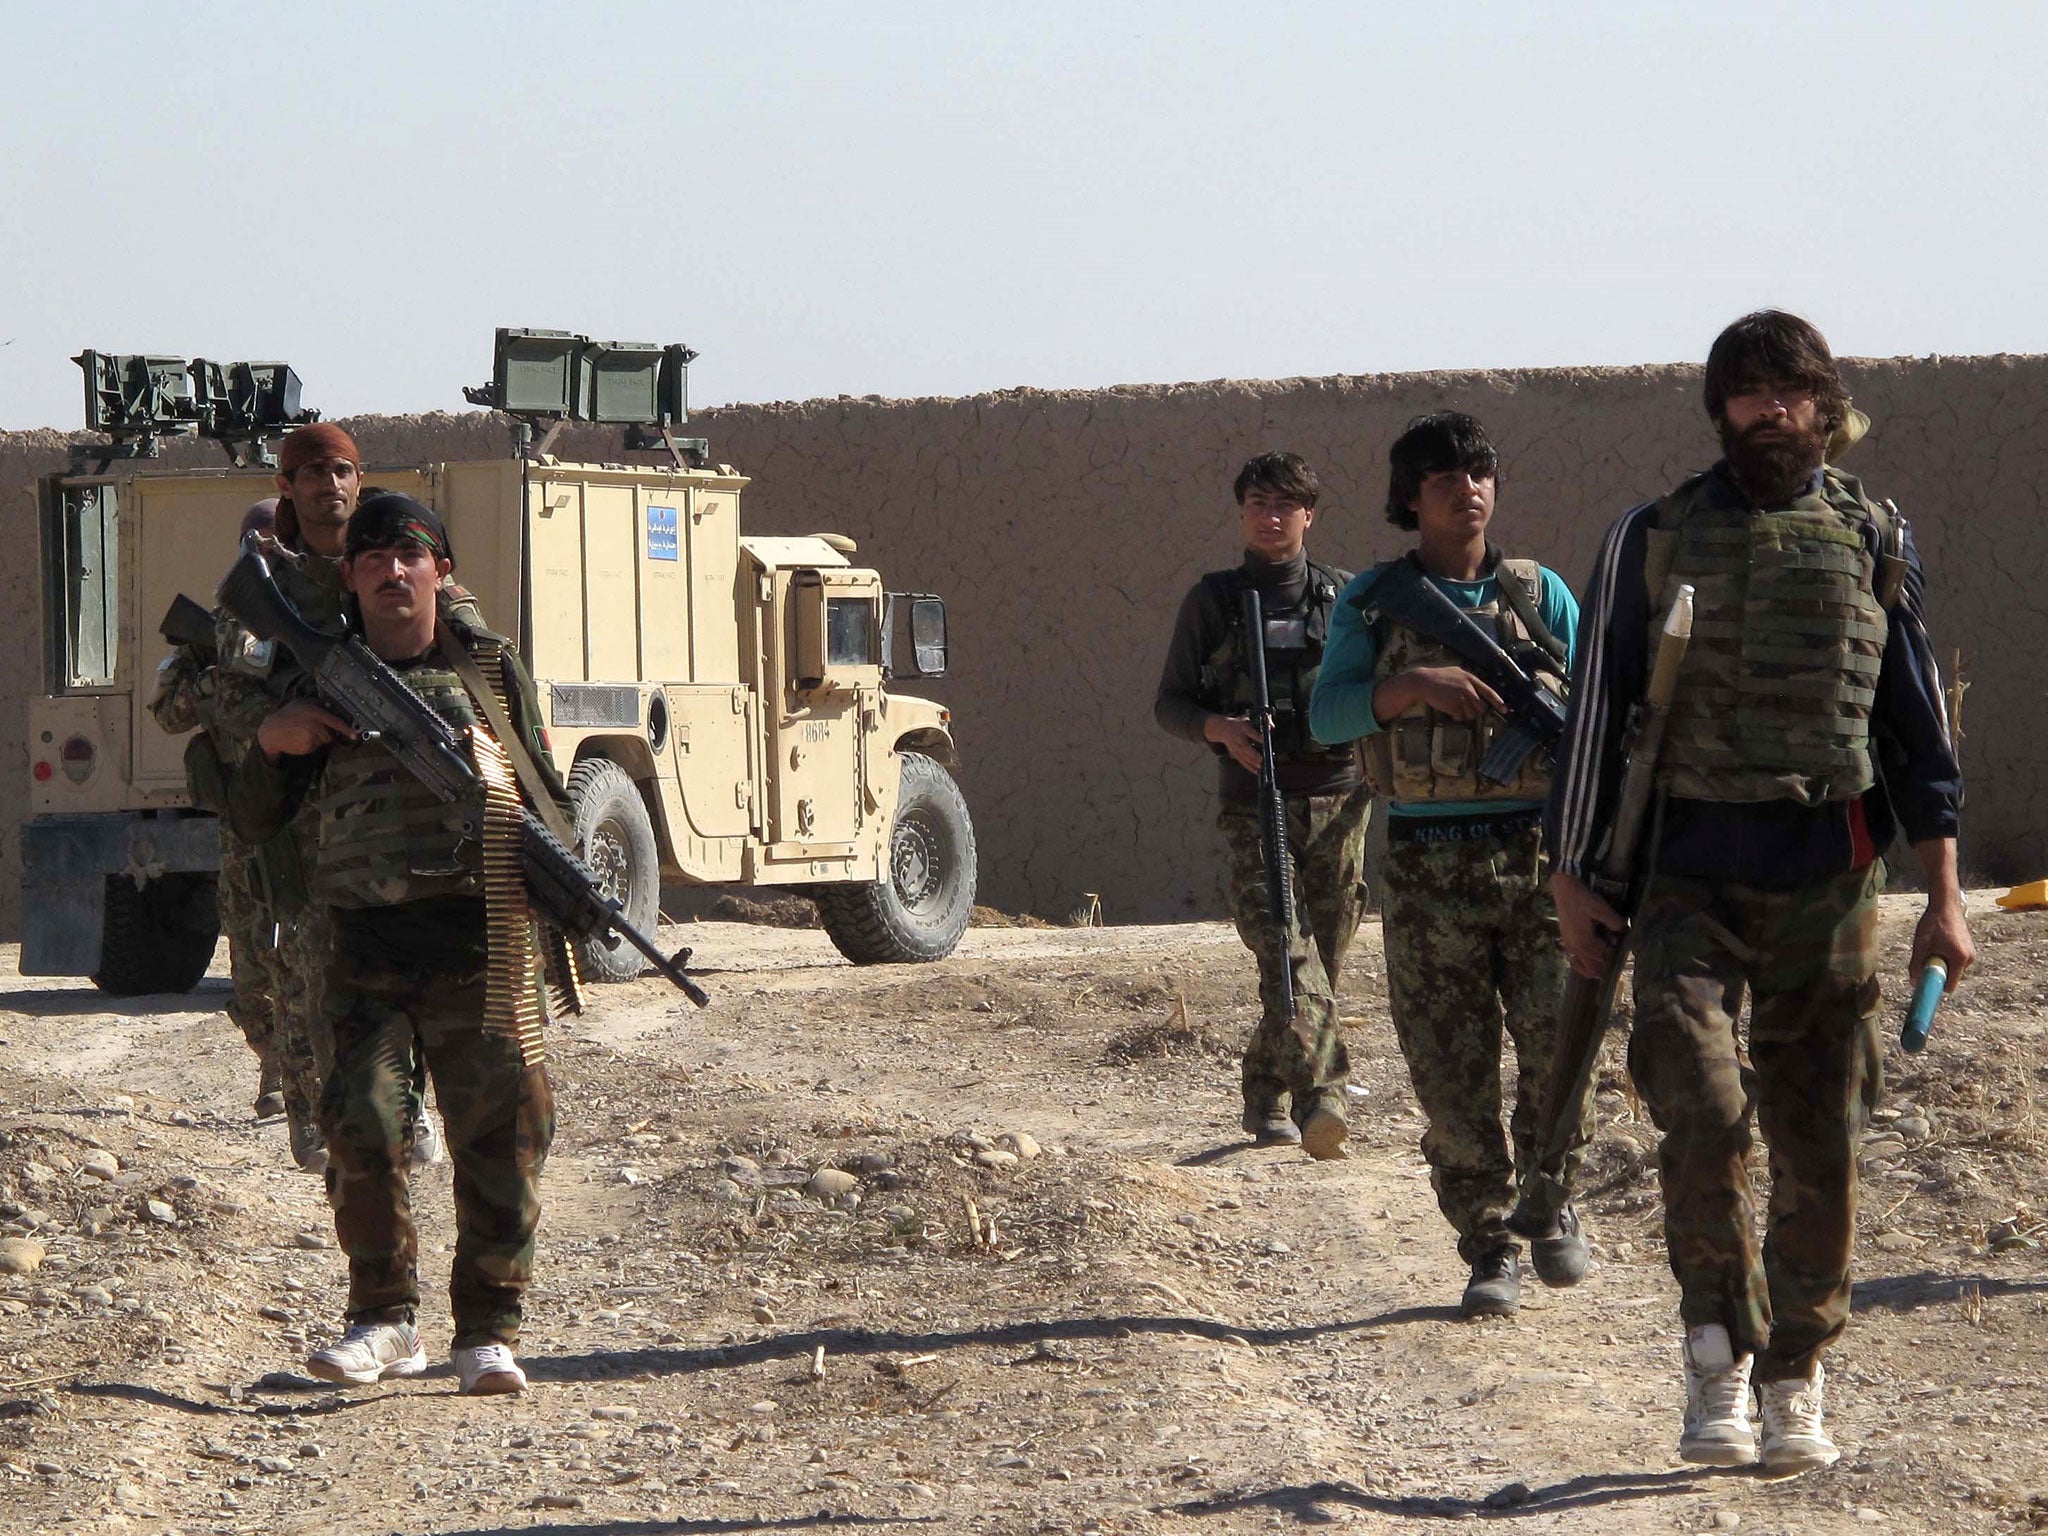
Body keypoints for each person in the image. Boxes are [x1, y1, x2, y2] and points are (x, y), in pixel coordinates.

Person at [1547, 311, 1975, 1473]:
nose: (1766, 412)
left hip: (1827, 880)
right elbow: (1596, 715)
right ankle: (1714, 1356)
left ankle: (1795, 1373)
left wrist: (1941, 896)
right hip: (1682, 875)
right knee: (1699, 1109)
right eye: (1744, 394)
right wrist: (1568, 876)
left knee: (1817, 1132)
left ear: (1824, 407)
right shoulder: (1650, 534)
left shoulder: (1873, 535)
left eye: (1787, 392)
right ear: (1717, 412)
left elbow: (1911, 731)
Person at [233, 492, 567, 1393]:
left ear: (441, 572)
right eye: (372, 556)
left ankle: (488, 1330)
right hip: (360, 949)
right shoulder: (311, 678)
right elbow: (249, 819)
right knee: (364, 1132)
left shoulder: (492, 676)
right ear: (348, 574)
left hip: (482, 943)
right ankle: (383, 1322)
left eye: (410, 555)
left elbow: (547, 796)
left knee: (503, 1133)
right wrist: (270, 743)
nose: (391, 570)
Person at [1308, 412, 1592, 1318]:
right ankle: (1489, 1243)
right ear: (1409, 499)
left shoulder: (1538, 594)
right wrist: (1409, 688)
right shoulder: (1375, 602)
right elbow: (1326, 717)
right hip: (1430, 867)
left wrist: (1546, 702)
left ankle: (1551, 1204)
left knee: (1562, 1050)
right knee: (1450, 1069)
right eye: (1442, 477)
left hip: (1540, 860)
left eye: (1479, 472)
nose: (1466, 488)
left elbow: (1602, 711)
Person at [244, 424, 446, 1174]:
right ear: (289, 487)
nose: (329, 485)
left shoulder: (386, 562)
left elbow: (455, 648)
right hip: (299, 810)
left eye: (342, 470)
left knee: (408, 960)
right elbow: (226, 698)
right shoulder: (269, 590)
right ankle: (314, 1107)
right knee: (303, 972)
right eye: (312, 472)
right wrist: (279, 726)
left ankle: (406, 1104)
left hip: (388, 810)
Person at [1155, 452, 1369, 1158]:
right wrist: (1217, 728)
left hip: (1338, 801)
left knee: (1322, 964)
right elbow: (1172, 702)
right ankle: (1322, 1100)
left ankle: (1262, 1085)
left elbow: (1374, 689)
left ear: (1310, 514)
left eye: (1284, 505)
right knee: (1284, 949)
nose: (1269, 517)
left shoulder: (1344, 598)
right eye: (1256, 504)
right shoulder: (1213, 601)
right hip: (1255, 803)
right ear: (1241, 513)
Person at [147, 499, 288, 1122]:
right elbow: (168, 712)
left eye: (274, 538)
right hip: (241, 820)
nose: (263, 548)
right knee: (251, 957)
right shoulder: (219, 627)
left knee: (313, 949)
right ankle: (272, 1060)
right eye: (253, 539)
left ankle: (307, 1077)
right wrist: (213, 678)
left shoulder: (315, 617)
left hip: (308, 814)